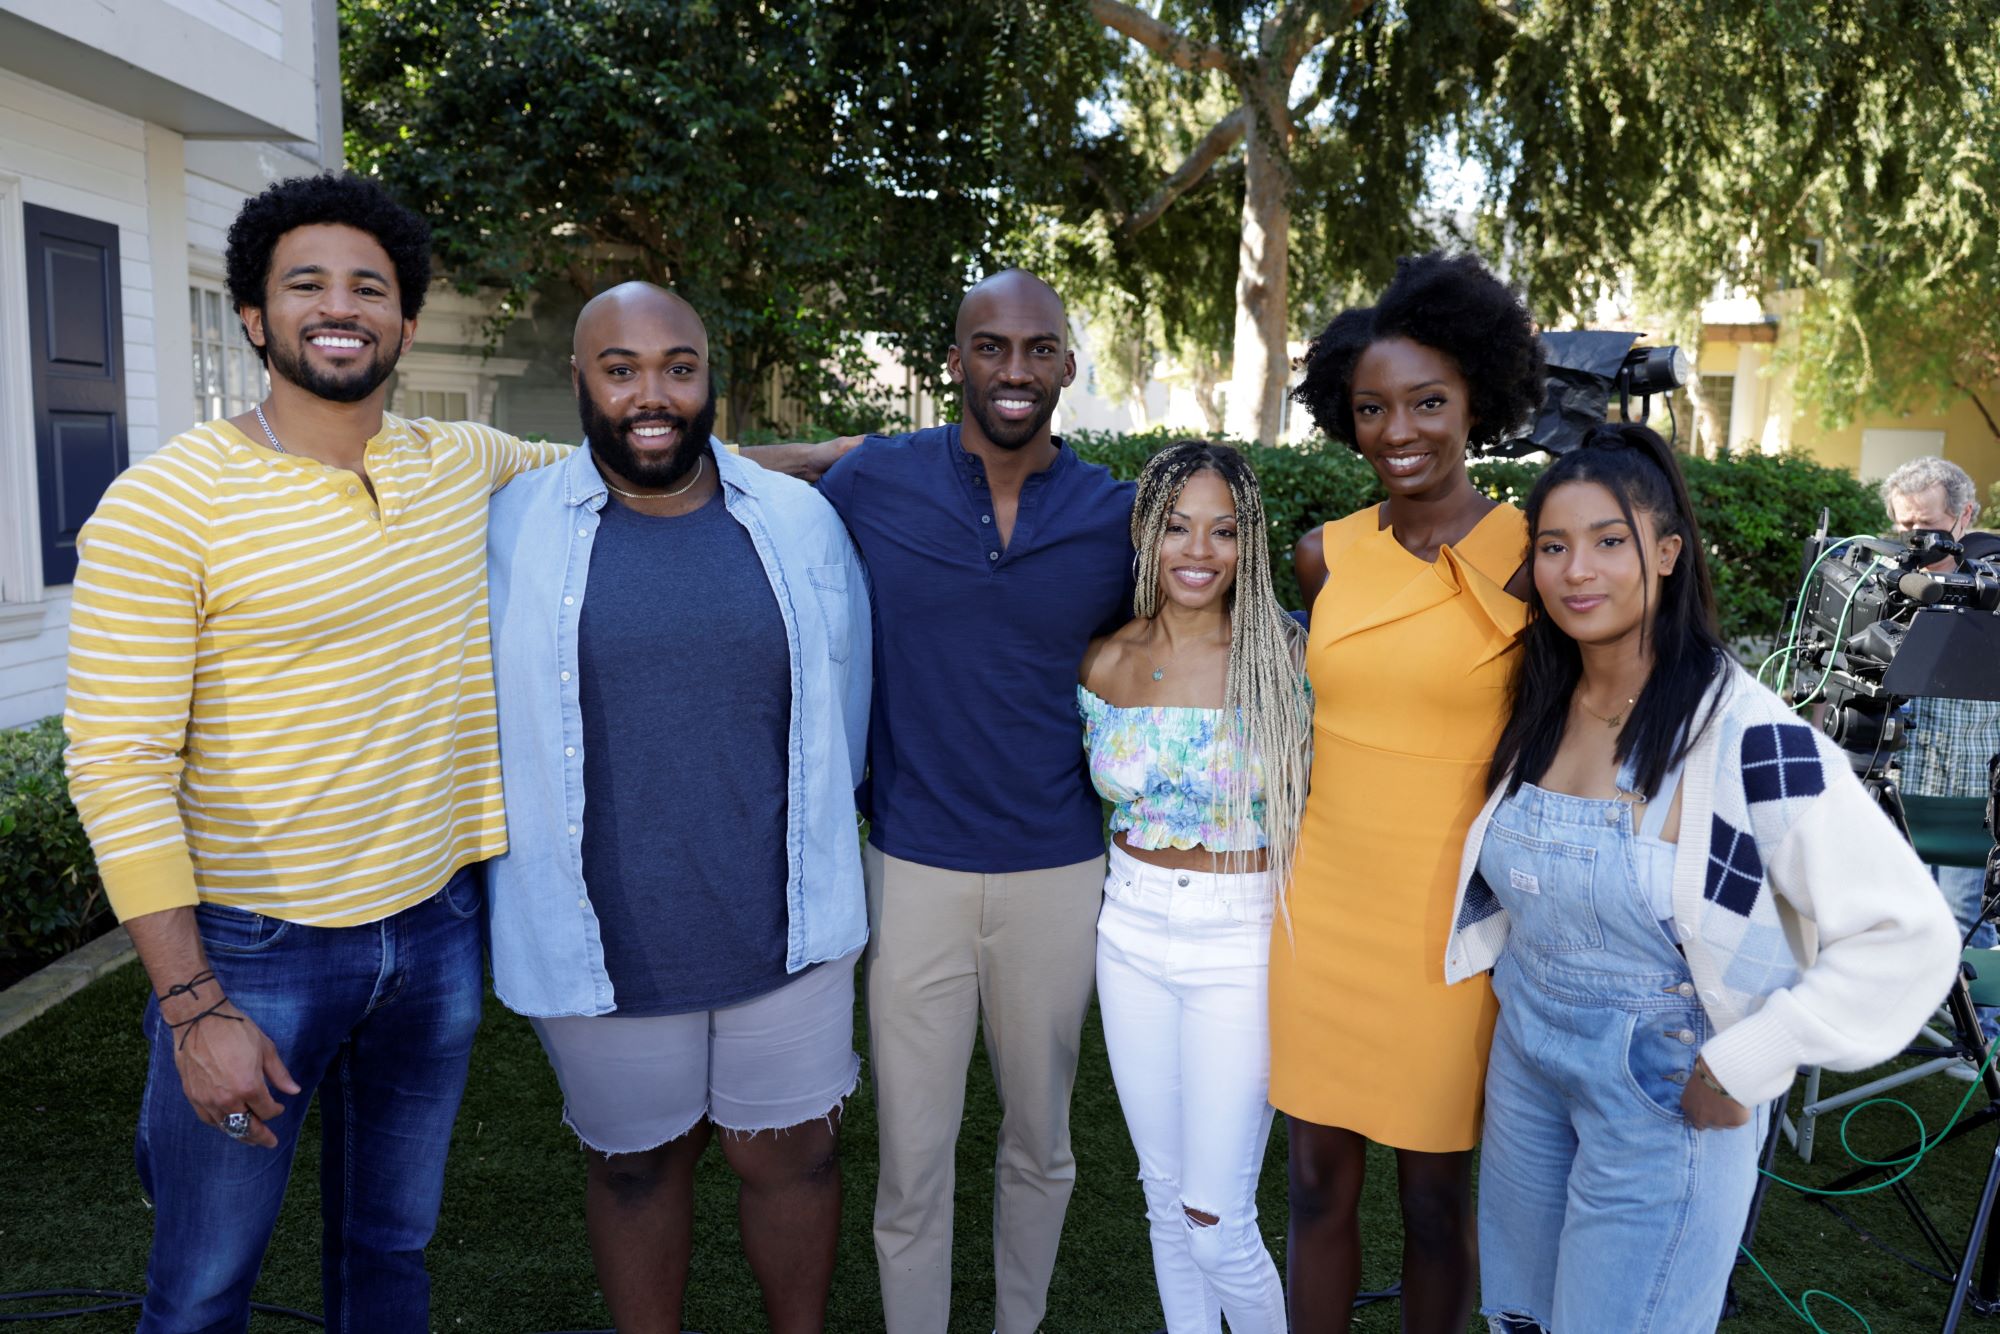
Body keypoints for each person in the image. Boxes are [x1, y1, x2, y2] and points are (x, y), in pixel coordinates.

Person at [61, 174, 566, 1331]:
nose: (339, 306)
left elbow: (620, 463)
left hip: (435, 931)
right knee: (200, 1287)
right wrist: (193, 1006)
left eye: (368, 287)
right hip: (251, 951)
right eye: (306, 285)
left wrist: (834, 456)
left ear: (403, 319)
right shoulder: (164, 503)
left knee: (390, 1251)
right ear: (254, 317)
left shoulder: (458, 460)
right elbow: (118, 762)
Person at [1450, 422, 1960, 1332]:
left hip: (1666, 1089)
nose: (1578, 571)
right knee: (1518, 1319)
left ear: (1670, 552)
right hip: (1526, 1062)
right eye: (1555, 547)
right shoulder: (1536, 704)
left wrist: (1747, 1064)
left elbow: (1909, 931)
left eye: (1611, 542)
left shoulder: (1750, 736)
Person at [484, 283, 870, 1334]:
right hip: (596, 931)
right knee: (636, 1167)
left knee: (791, 1154)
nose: (650, 394)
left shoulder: (796, 518)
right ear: (578, 380)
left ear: (711, 378)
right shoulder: (508, 525)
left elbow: (848, 698)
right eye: (619, 369)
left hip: (784, 914)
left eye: (677, 367)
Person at [815, 269, 1135, 1334]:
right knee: (911, 1147)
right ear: (952, 360)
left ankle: (1018, 1323)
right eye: (988, 345)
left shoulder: (1112, 513)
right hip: (910, 866)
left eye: (1036, 347)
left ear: (1064, 368)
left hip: (1058, 867)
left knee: (1040, 1136)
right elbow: (747, 482)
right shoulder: (877, 478)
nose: (1012, 367)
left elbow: (1207, 592)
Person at [1274, 251, 1544, 1332]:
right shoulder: (1320, 558)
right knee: (1308, 1186)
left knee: (1434, 1201)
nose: (1399, 430)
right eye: (1371, 407)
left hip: (1451, 927)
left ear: (1477, 394)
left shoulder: (1535, 555)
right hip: (1323, 913)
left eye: (1427, 401)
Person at [1079, 442, 1312, 1334]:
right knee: (1164, 1199)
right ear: (1147, 532)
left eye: (1223, 530)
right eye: (1177, 525)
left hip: (1241, 938)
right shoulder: (1105, 661)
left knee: (1217, 1223)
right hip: (1129, 928)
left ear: (1248, 544)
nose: (1198, 550)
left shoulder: (1289, 662)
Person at [1880, 456, 2000, 950]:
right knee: (1899, 924)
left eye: (1926, 525)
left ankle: (1974, 1028)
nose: (1914, 538)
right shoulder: (1882, 579)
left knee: (1962, 922)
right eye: (1902, 524)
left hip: (1971, 795)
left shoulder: (1991, 583)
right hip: (1899, 787)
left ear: (1964, 516)